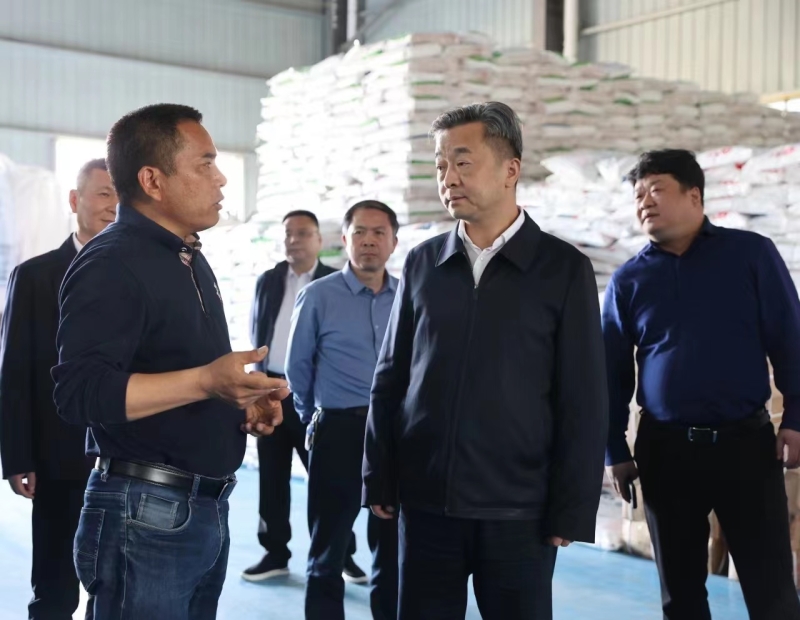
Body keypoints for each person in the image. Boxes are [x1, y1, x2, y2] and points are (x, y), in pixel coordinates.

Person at [362, 102, 609, 620]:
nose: (448, 178)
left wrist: (570, 506)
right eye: (440, 165)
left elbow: (583, 397)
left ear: (510, 169)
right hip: (427, 506)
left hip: (518, 511)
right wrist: (379, 475)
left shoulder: (563, 269)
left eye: (462, 162)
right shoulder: (424, 262)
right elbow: (391, 377)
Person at [51, 103, 290, 620]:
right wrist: (206, 382)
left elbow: (179, 372)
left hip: (199, 508)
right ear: (152, 180)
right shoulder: (112, 262)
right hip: (144, 513)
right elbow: (80, 393)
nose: (221, 178)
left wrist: (238, 402)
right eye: (205, 164)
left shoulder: (187, 259)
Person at [603, 149, 800, 620]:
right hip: (665, 453)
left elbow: (790, 338)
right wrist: (615, 450)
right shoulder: (628, 280)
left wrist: (795, 418)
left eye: (656, 189)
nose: (644, 202)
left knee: (772, 592)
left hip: (746, 448)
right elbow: (610, 373)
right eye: (637, 195)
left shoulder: (750, 255)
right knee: (681, 595)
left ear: (695, 195)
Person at [0, 158, 116, 620]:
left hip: (129, 459)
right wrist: (18, 456)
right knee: (54, 588)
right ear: (75, 200)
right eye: (104, 193)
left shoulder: (146, 275)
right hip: (58, 457)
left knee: (119, 585)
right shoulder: (35, 276)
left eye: (122, 195)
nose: (114, 205)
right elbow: (15, 373)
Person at [286, 200, 400, 620]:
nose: (369, 241)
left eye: (379, 233)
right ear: (345, 239)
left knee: (392, 546)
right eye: (360, 232)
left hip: (394, 438)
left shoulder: (408, 296)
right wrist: (314, 418)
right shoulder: (319, 296)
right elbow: (298, 368)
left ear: (393, 242)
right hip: (338, 432)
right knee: (328, 546)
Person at [243, 209, 366, 584]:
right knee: (272, 477)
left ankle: (340, 554)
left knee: (328, 479)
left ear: (319, 240)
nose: (294, 240)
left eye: (302, 233)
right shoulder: (269, 281)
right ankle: (274, 553)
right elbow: (257, 330)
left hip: (313, 394)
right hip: (271, 390)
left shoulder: (334, 283)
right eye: (288, 234)